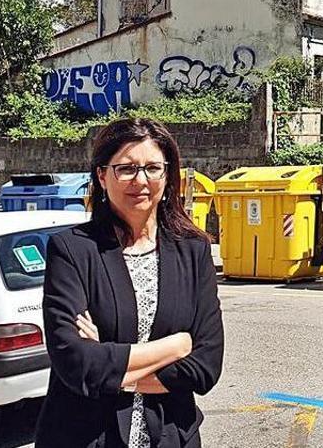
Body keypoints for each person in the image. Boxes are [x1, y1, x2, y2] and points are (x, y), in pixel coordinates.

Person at [37, 118, 224, 447]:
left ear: (167, 176)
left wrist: (110, 366)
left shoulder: (193, 251)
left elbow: (206, 367)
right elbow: (76, 363)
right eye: (126, 168)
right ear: (102, 176)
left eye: (153, 167)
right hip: (87, 437)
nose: (141, 180)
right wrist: (175, 346)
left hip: (170, 436)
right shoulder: (73, 250)